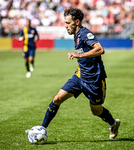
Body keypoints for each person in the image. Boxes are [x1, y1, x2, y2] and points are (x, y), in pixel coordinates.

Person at [26, 7, 121, 139]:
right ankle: (41, 129)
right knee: (57, 99)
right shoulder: (76, 34)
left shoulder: (84, 33)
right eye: (64, 22)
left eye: (67, 23)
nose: (65, 26)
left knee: (96, 111)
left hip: (95, 80)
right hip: (80, 76)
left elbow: (100, 49)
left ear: (76, 22)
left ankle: (113, 123)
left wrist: (79, 56)